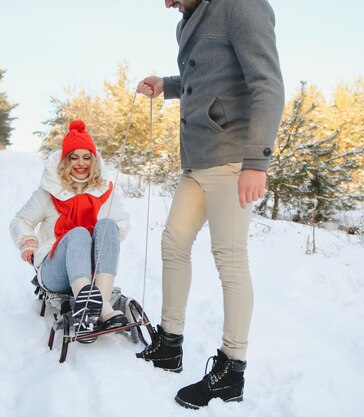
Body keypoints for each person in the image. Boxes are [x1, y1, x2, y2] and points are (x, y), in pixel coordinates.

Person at [135, 0, 284, 409]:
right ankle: (170, 343)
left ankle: (231, 370)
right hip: (197, 159)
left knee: (229, 258)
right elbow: (205, 78)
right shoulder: (188, 21)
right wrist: (167, 84)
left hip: (233, 157)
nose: (168, 3)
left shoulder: (242, 6)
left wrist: (257, 161)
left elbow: (267, 84)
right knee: (173, 242)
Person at [10, 120, 130, 339]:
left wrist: (103, 238)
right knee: (77, 233)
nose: (80, 164)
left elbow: (122, 223)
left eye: (86, 157)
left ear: (94, 160)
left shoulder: (104, 192)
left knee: (107, 225)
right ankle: (97, 309)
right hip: (55, 271)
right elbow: (20, 221)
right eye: (73, 157)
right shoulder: (48, 192)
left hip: (94, 270)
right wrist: (28, 243)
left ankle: (97, 306)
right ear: (65, 161)